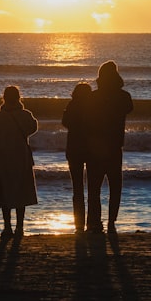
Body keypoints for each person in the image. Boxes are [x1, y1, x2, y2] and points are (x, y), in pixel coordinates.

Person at [86, 60, 134, 235]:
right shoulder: (123, 97)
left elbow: (86, 119)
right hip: (114, 146)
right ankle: (112, 221)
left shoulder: (93, 97)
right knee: (115, 186)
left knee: (94, 187)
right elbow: (128, 109)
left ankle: (95, 222)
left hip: (95, 147)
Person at [0, 85, 38, 237]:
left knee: (4, 190)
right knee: (21, 190)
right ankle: (20, 227)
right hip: (21, 154)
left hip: (2, 155)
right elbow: (33, 128)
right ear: (18, 97)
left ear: (4, 97)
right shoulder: (26, 115)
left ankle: (7, 227)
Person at [61, 82, 92, 234]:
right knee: (93, 188)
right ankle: (92, 223)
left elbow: (64, 122)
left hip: (74, 149)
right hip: (92, 150)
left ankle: (79, 225)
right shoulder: (94, 106)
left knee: (77, 188)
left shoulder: (72, 105)